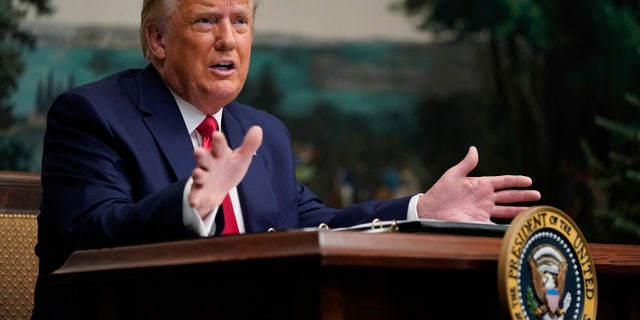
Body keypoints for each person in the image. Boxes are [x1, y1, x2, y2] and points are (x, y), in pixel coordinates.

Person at [31, 0, 542, 318]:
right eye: (206, 20)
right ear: (157, 39)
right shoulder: (92, 114)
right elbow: (87, 241)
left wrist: (418, 212)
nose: (227, 39)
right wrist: (188, 205)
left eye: (240, 21)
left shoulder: (263, 133)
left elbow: (311, 225)